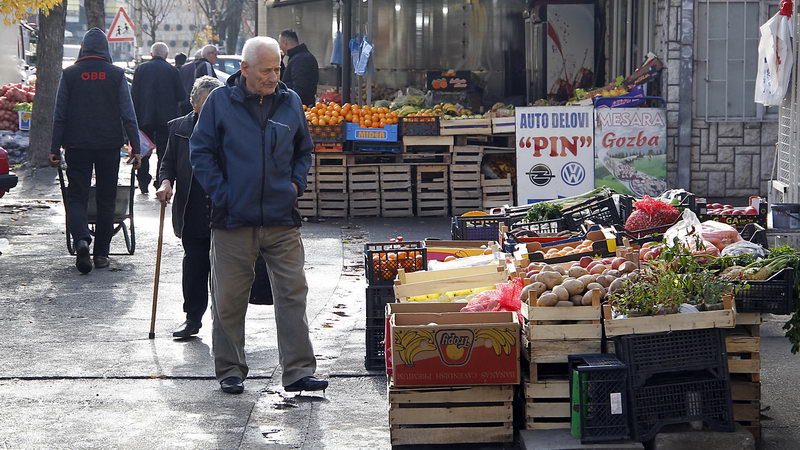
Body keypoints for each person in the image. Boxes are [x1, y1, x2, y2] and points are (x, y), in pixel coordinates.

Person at [189, 36, 326, 395]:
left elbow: (303, 151)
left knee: (293, 294)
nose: (273, 76)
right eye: (266, 70)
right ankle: (230, 369)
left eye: (277, 68)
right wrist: (224, 194)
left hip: (282, 218)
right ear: (244, 68)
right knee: (230, 298)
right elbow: (201, 152)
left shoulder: (290, 100)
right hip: (233, 219)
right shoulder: (220, 102)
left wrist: (296, 186)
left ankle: (298, 371)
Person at [156, 76, 273, 339]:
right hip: (193, 210)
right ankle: (192, 318)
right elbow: (168, 165)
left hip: (227, 212)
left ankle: (225, 323)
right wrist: (165, 184)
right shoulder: (178, 129)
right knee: (195, 266)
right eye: (208, 103)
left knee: (229, 273)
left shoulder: (236, 129)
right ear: (195, 105)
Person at [48, 28, 141, 274]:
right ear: (106, 49)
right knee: (106, 198)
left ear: (83, 48)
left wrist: (54, 147)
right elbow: (127, 114)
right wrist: (136, 147)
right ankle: (101, 254)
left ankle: (81, 240)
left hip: (76, 145)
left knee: (76, 196)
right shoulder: (116, 74)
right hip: (108, 145)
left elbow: (60, 115)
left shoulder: (70, 75)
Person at [131, 42, 185, 193]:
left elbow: (134, 95)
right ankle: (160, 181)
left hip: (144, 117)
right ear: (166, 55)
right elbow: (181, 95)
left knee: (144, 150)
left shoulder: (141, 69)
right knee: (163, 152)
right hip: (166, 119)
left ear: (151, 54)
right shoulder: (172, 71)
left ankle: (142, 180)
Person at [278, 30, 318, 106]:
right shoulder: (297, 57)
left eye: (280, 44)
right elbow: (286, 79)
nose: (280, 47)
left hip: (301, 107)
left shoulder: (301, 59)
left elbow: (300, 89)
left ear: (285, 43)